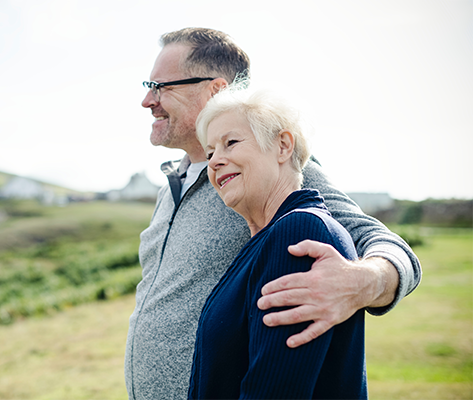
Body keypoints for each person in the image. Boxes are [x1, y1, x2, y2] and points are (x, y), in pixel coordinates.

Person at [125, 27, 421, 400]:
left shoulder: (271, 168)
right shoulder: (172, 185)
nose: (147, 100)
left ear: (216, 90)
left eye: (160, 85)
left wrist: (366, 281)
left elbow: (381, 242)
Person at [188, 85, 366, 399]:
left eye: (231, 143)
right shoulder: (264, 241)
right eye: (211, 152)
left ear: (283, 146)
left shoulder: (299, 232)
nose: (214, 162)